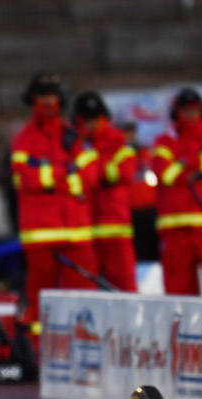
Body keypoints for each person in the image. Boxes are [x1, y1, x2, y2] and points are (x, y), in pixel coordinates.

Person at [10, 72, 100, 336]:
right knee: (39, 302)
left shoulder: (74, 135)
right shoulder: (24, 140)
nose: (49, 102)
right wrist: (67, 173)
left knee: (85, 298)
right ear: (33, 100)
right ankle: (39, 350)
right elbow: (25, 179)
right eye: (43, 96)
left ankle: (82, 345)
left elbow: (91, 176)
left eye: (53, 96)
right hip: (41, 234)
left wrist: (48, 177)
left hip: (77, 233)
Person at [151, 88, 202, 296]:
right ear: (176, 112)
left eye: (195, 110)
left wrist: (182, 162)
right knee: (179, 291)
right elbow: (164, 175)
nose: (190, 115)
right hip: (174, 229)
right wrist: (200, 160)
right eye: (186, 110)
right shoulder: (163, 141)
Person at [73, 91, 138, 291]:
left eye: (95, 119)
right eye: (86, 120)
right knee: (85, 287)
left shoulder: (118, 141)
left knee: (124, 285)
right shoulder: (74, 142)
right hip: (84, 229)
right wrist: (104, 170)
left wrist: (92, 169)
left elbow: (125, 170)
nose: (91, 125)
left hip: (115, 226)